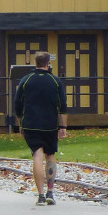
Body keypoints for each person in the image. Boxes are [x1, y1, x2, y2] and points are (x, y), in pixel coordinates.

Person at [14, 51, 68, 206]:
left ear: (35, 62)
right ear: (48, 63)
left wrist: (21, 124)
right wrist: (63, 126)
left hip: (31, 123)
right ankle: (50, 192)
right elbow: (63, 105)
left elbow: (18, 103)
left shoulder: (26, 80)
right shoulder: (55, 81)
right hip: (50, 124)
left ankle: (41, 195)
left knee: (37, 156)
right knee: (50, 155)